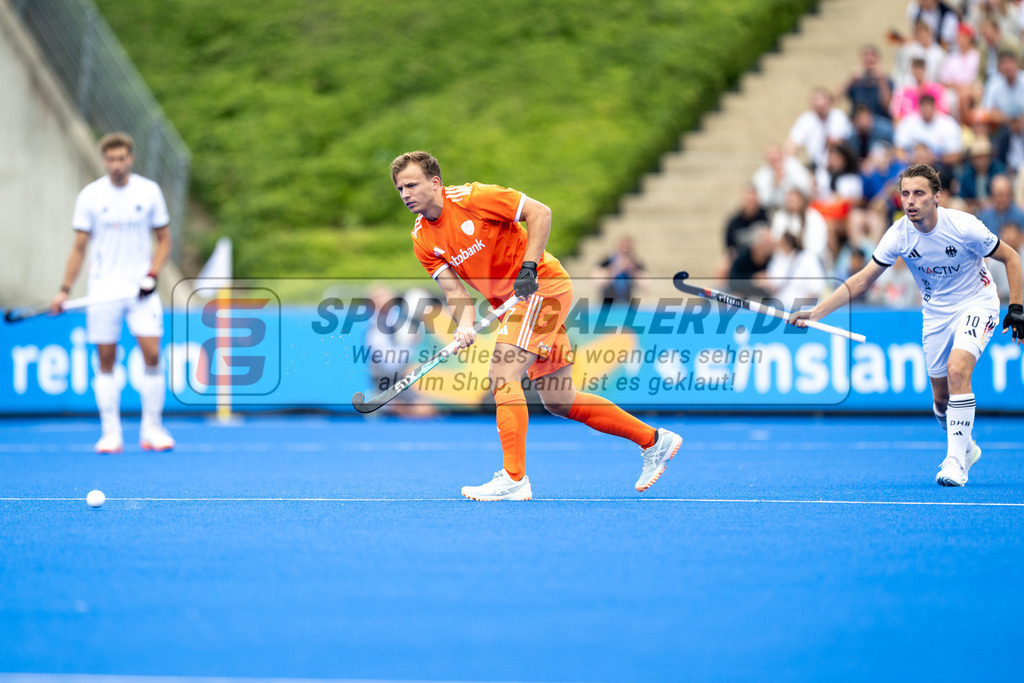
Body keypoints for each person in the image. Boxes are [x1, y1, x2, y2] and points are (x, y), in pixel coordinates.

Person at [389, 151, 682, 501]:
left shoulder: (473, 198)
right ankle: (654, 441)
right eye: (400, 189)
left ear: (435, 182)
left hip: (542, 286)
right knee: (559, 400)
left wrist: (528, 267)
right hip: (513, 304)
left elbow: (539, 212)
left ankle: (514, 478)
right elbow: (455, 291)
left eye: (411, 184)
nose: (405, 194)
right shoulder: (422, 238)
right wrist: (464, 325)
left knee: (502, 375)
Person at [792, 164, 1024, 487]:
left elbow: (1011, 257)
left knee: (958, 370)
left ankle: (955, 461)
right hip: (935, 314)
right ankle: (966, 447)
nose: (910, 201)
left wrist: (1015, 307)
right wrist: (816, 312)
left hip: (977, 303)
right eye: (905, 194)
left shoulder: (964, 226)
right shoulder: (899, 234)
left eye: (919, 193)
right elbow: (861, 281)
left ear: (937, 197)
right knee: (941, 401)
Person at [49, 132, 175, 454]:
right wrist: (64, 290)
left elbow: (164, 240)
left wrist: (151, 275)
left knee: (152, 355)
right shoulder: (90, 196)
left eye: (121, 159)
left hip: (141, 291)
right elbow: (79, 248)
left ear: (130, 159)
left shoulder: (148, 192)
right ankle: (111, 433)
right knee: (105, 360)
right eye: (110, 159)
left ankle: (152, 429)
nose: (116, 165)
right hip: (103, 290)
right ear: (105, 160)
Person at [592, 236, 646, 307]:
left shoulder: (635, 263)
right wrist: (615, 269)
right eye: (622, 248)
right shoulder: (607, 261)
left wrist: (633, 271)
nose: (625, 251)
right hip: (608, 303)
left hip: (628, 303)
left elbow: (646, 285)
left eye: (628, 249)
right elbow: (597, 282)